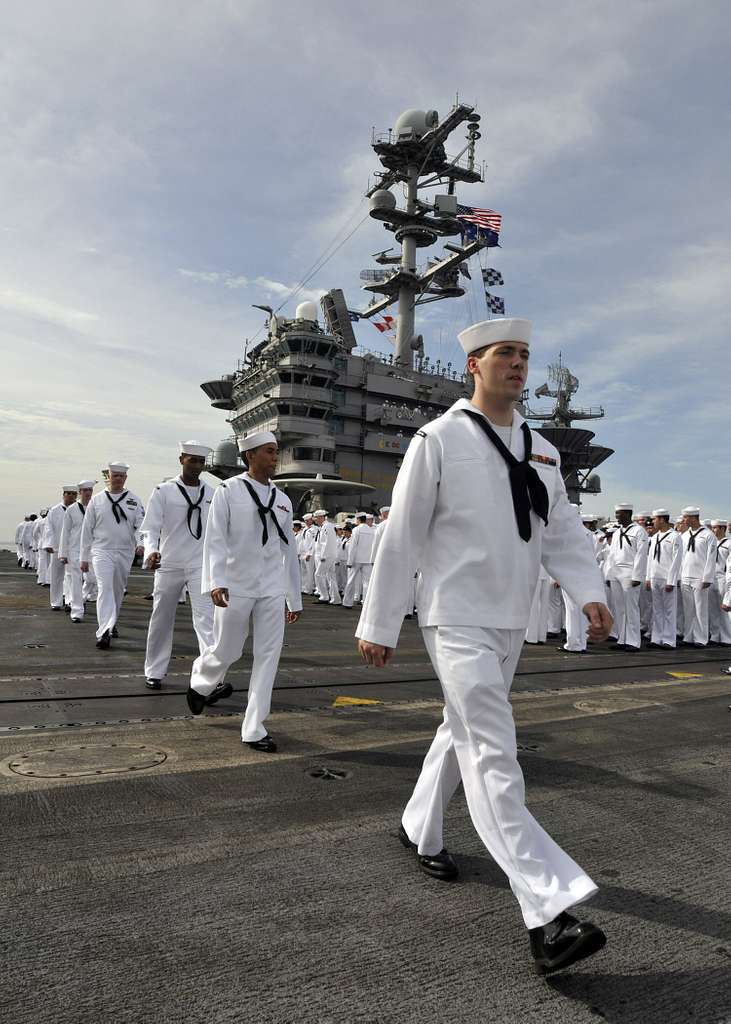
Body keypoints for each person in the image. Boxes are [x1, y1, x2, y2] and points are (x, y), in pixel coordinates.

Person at [356, 317, 610, 975]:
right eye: (505, 354)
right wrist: (379, 623)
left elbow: (562, 534)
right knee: (492, 753)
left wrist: (587, 592)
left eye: (524, 354)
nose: (518, 364)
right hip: (456, 617)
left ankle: (419, 826)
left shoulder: (543, 449)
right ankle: (548, 914)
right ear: (473, 364)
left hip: (510, 619)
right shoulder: (437, 439)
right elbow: (402, 533)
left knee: (460, 731)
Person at [186, 431, 301, 751]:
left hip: (271, 587)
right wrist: (215, 580)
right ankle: (201, 682)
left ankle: (254, 727)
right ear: (250, 455)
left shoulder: (282, 499)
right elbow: (215, 539)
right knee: (227, 649)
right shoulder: (228, 491)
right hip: (235, 584)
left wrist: (293, 596)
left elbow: (288, 549)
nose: (275, 457)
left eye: (276, 451)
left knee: (269, 656)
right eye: (269, 451)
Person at [140, 442, 216, 689]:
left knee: (206, 619)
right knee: (161, 617)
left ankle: (209, 678)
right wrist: (152, 550)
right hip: (169, 562)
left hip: (200, 564)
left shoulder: (212, 493)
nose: (196, 466)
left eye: (201, 462)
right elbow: (150, 528)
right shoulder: (164, 491)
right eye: (192, 460)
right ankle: (154, 670)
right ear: (181, 459)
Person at [80, 462, 145, 649]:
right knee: (104, 587)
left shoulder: (133, 500)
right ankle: (104, 632)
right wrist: (84, 557)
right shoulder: (97, 500)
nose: (117, 478)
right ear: (108, 477)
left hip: (125, 552)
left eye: (120, 476)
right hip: (102, 550)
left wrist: (140, 544)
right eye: (114, 475)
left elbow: (141, 525)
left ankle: (112, 621)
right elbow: (87, 530)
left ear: (125, 478)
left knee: (117, 590)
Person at [603, 503, 648, 650]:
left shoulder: (639, 531)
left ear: (627, 514)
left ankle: (633, 641)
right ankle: (622, 640)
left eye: (619, 514)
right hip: (616, 572)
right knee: (619, 609)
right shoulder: (616, 533)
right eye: (616, 514)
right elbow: (611, 555)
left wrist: (637, 576)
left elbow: (641, 555)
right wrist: (609, 575)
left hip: (630, 572)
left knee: (631, 608)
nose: (617, 517)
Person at [58, 480, 97, 622]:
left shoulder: (96, 507)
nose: (88, 493)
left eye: (90, 490)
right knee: (75, 581)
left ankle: (83, 596)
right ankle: (77, 612)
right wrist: (63, 553)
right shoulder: (72, 509)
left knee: (93, 579)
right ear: (79, 493)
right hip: (75, 550)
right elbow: (65, 532)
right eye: (85, 490)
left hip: (92, 550)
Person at [644, 509, 682, 648]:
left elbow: (676, 560)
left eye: (654, 519)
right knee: (657, 610)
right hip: (655, 576)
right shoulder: (655, 537)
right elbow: (650, 559)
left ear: (662, 519)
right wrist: (648, 577)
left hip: (666, 578)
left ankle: (668, 640)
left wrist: (671, 580)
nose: (652, 522)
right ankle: (656, 638)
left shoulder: (674, 536)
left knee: (669, 611)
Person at [679, 506, 716, 647]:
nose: (684, 520)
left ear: (694, 517)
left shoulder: (707, 535)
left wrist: (707, 578)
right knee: (688, 609)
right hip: (686, 576)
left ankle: (701, 638)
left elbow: (711, 558)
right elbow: (681, 558)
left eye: (686, 517)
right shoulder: (684, 535)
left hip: (700, 577)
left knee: (700, 610)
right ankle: (688, 636)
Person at [42, 486, 78, 611]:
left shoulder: (78, 509)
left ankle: (70, 601)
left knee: (72, 576)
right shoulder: (54, 510)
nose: (72, 496)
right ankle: (56, 602)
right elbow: (48, 528)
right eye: (69, 494)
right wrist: (49, 544)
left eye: (74, 494)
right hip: (57, 548)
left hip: (72, 548)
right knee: (56, 576)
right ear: (63, 494)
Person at [342, 513, 374, 608]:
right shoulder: (372, 530)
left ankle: (347, 602)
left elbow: (353, 546)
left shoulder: (356, 530)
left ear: (359, 520)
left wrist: (349, 561)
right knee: (367, 583)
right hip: (368, 559)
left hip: (356, 559)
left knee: (351, 581)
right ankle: (366, 603)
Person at [709, 521, 731, 646]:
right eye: (712, 527)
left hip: (723, 577)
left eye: (716, 527)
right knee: (712, 609)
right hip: (711, 577)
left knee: (724, 609)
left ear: (723, 528)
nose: (713, 530)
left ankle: (727, 637)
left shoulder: (729, 543)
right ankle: (715, 635)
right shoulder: (712, 542)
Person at [313, 509, 341, 605]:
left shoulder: (327, 526)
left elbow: (327, 542)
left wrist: (324, 555)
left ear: (321, 517)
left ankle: (324, 596)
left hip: (327, 555)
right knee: (331, 577)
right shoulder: (325, 526)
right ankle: (335, 599)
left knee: (318, 574)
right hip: (329, 554)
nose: (315, 520)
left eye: (316, 518)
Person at [300, 513, 317, 595]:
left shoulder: (315, 529)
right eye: (305, 521)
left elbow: (313, 543)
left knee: (310, 572)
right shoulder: (304, 529)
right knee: (303, 572)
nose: (306, 522)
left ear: (311, 520)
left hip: (309, 553)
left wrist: (309, 553)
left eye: (308, 520)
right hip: (303, 553)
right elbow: (302, 542)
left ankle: (309, 589)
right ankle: (303, 587)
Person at [33, 510, 50, 585]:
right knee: (50, 563)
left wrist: (38, 540)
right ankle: (49, 580)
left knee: (42, 562)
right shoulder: (52, 521)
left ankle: (41, 579)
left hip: (42, 544)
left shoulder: (40, 522)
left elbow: (34, 533)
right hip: (50, 544)